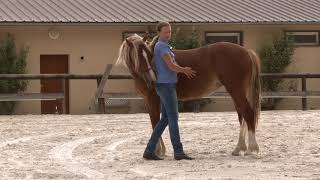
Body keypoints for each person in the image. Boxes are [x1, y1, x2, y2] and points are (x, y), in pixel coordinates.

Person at [143, 21, 197, 160]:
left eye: (170, 31)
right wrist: (184, 70)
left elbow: (173, 64)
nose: (169, 34)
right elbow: (171, 66)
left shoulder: (164, 46)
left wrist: (180, 68)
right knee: (173, 118)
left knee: (165, 119)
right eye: (166, 31)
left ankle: (149, 150)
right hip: (166, 86)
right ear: (159, 33)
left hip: (166, 85)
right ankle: (178, 152)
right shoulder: (161, 46)